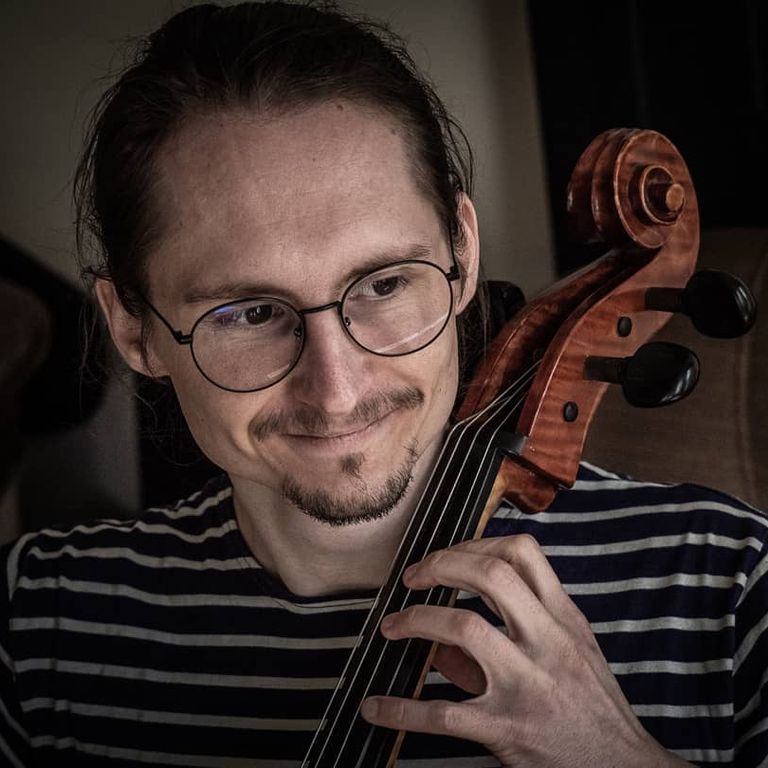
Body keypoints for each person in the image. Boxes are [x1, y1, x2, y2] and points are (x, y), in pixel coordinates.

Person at [1, 3, 766, 766]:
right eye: (250, 313)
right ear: (133, 329)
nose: (336, 390)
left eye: (385, 283)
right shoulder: (38, 623)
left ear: (462, 254)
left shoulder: (731, 583)